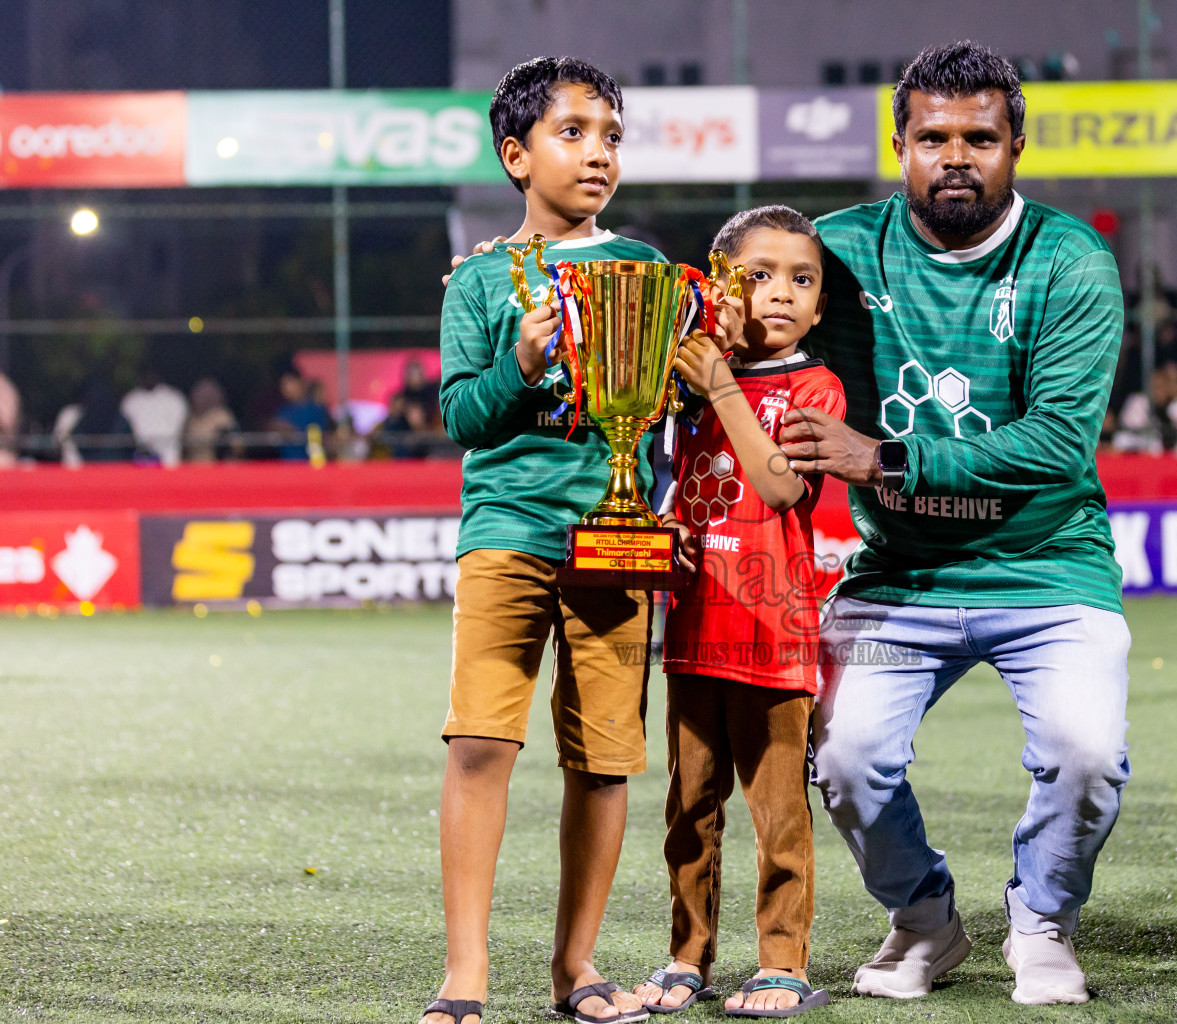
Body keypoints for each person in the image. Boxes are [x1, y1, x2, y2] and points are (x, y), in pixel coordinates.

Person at [777, 42, 1131, 1005]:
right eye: (934, 137)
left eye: (980, 137)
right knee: (843, 757)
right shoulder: (836, 251)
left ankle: (1042, 921)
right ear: (900, 146)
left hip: (1047, 566)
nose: (956, 157)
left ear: (1016, 146)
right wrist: (533, 274)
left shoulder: (1070, 259)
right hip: (899, 572)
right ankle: (925, 920)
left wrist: (883, 457)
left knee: (1087, 755)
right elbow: (734, 298)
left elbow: (1057, 443)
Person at [424, 57, 672, 1024]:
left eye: (611, 136)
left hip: (617, 541)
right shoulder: (479, 279)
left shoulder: (648, 271)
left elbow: (674, 401)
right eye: (573, 133)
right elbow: (462, 416)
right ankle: (466, 973)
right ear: (516, 155)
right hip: (506, 535)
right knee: (479, 745)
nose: (598, 153)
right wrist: (523, 363)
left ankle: (577, 967)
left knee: (602, 760)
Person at [630, 206, 844, 1019]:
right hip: (693, 629)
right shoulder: (675, 381)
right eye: (759, 276)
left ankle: (783, 965)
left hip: (775, 636)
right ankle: (688, 958)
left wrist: (720, 386)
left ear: (819, 306)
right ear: (721, 288)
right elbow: (653, 475)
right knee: (689, 810)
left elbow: (782, 486)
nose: (782, 293)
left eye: (802, 280)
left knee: (778, 814)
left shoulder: (815, 386)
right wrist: (660, 526)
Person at [120, 369, 189, 467]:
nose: (149, 377)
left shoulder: (174, 398)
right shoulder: (131, 400)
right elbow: (126, 429)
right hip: (141, 455)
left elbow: (182, 425)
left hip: (169, 455)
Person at [183, 378, 238, 463]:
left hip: (214, 466)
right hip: (191, 465)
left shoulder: (222, 416)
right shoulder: (188, 418)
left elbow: (236, 447)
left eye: (209, 394)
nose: (204, 398)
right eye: (201, 394)